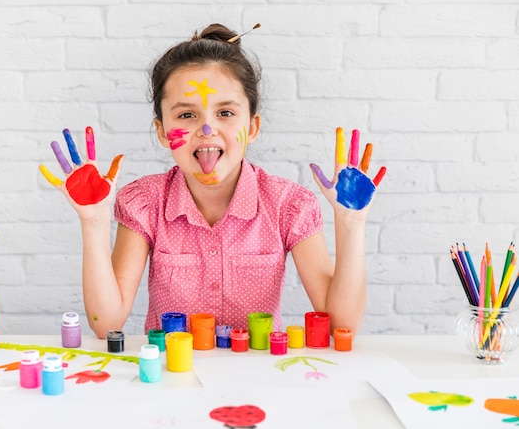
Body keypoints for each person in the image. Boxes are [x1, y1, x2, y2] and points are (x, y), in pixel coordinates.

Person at [39, 23, 386, 338]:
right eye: (187, 115)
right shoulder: (144, 202)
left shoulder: (287, 205)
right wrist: (94, 222)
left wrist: (351, 223)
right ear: (161, 131)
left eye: (225, 113)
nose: (207, 129)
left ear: (252, 127)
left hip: (259, 377)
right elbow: (106, 323)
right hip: (172, 376)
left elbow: (343, 323)